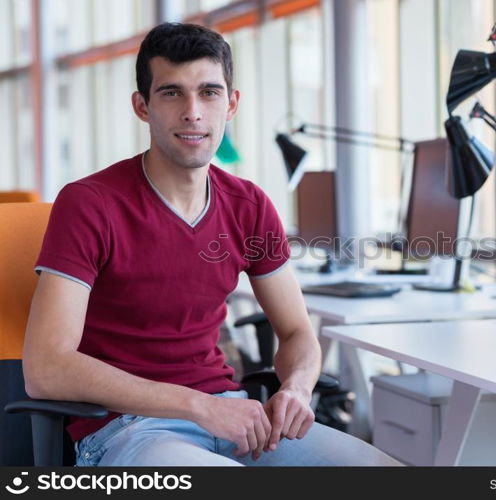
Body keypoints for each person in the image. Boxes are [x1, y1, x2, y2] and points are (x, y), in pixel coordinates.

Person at [22, 22, 395, 467]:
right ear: (142, 106)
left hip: (236, 419)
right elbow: (46, 369)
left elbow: (297, 332)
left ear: (231, 103)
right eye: (172, 93)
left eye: (209, 93)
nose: (193, 112)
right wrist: (200, 406)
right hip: (129, 429)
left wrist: (296, 388)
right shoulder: (90, 204)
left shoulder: (249, 205)